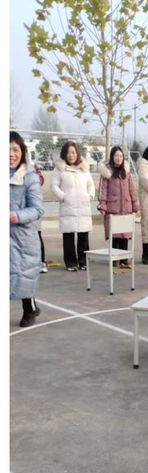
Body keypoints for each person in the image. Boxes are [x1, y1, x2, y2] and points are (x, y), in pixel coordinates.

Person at [10, 131, 44, 327]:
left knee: (23, 274)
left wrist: (17, 215)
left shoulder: (29, 177)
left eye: (15, 150)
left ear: (22, 152)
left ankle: (29, 309)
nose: (11, 154)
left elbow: (38, 209)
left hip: (22, 237)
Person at [50, 140, 95, 271]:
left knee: (83, 236)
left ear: (77, 154)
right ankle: (71, 263)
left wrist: (90, 196)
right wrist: (63, 197)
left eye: (73, 152)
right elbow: (53, 186)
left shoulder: (84, 168)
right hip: (68, 207)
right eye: (68, 153)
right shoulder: (59, 169)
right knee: (68, 236)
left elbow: (91, 184)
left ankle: (83, 261)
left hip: (83, 207)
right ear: (64, 154)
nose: (71, 155)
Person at [98, 146, 139, 268]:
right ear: (112, 157)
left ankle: (124, 259)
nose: (119, 158)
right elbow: (103, 190)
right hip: (113, 208)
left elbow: (132, 189)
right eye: (116, 155)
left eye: (121, 156)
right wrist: (103, 205)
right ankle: (115, 258)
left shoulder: (126, 172)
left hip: (126, 207)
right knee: (115, 235)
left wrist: (135, 204)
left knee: (124, 235)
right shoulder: (107, 172)